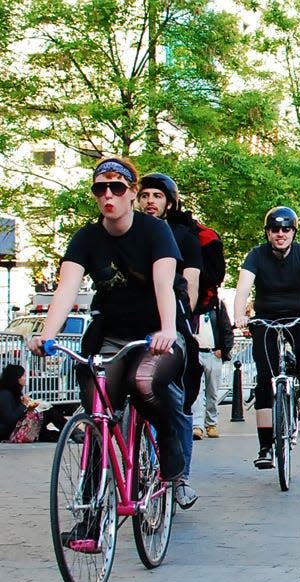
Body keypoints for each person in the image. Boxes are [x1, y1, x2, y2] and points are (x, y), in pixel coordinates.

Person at [28, 156, 189, 528]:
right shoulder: (86, 238)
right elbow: (66, 291)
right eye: (101, 189)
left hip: (154, 335)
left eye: (117, 188)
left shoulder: (154, 232)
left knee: (145, 382)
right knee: (99, 417)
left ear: (131, 193)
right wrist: (47, 335)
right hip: (109, 336)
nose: (108, 196)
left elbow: (165, 285)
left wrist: (167, 329)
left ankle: (169, 443)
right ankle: (91, 513)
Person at [234, 206, 300, 469]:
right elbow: (243, 288)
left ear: (293, 232)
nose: (280, 234)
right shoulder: (256, 255)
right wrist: (240, 315)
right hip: (265, 318)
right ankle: (265, 447)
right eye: (274, 230)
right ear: (267, 233)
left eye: (285, 229)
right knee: (265, 377)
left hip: (298, 316)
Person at [137, 172, 202, 508]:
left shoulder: (183, 238)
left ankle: (180, 479)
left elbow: (190, 287)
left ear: (170, 203)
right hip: (129, 323)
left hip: (168, 323)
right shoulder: (127, 232)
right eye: (145, 195)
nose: (150, 201)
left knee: (173, 398)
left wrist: (178, 321)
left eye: (157, 196)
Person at [190, 298, 234, 439]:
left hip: (213, 353)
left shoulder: (218, 305)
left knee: (212, 391)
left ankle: (211, 423)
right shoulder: (192, 304)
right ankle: (196, 425)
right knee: (196, 391)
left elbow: (227, 328)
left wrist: (223, 349)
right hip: (196, 353)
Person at [0, 364, 67, 443]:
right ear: (16, 378)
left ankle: (71, 433)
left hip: (20, 427)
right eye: (23, 376)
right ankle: (73, 431)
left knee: (50, 432)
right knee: (49, 412)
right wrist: (24, 405)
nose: (25, 378)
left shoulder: (15, 392)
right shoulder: (5, 394)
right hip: (12, 431)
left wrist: (33, 404)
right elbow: (10, 419)